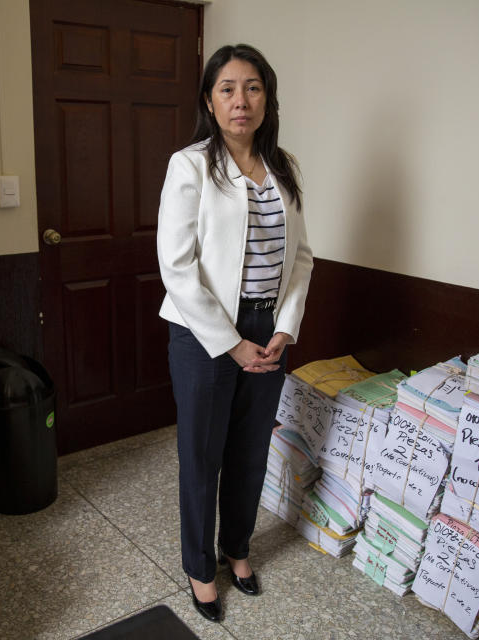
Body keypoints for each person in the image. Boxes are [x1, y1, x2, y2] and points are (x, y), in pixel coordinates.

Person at [157, 43, 313, 622]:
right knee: (203, 456)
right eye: (227, 89)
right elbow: (177, 266)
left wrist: (285, 327)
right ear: (209, 100)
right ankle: (200, 566)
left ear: (267, 99)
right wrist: (230, 341)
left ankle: (236, 549)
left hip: (267, 329)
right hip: (203, 333)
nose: (240, 100)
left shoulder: (284, 167)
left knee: (249, 452)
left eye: (252, 87)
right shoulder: (191, 163)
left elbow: (301, 259)